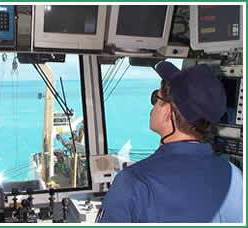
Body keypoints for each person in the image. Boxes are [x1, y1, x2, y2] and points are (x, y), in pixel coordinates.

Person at [96, 62, 243, 223]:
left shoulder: (134, 183)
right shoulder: (237, 178)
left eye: (156, 98)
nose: (152, 107)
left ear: (168, 112)